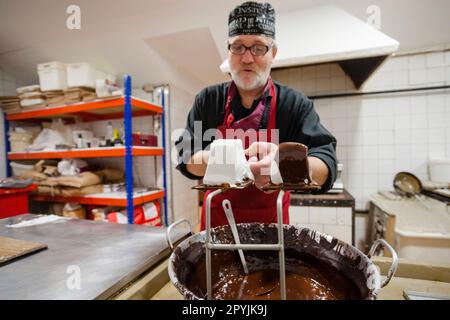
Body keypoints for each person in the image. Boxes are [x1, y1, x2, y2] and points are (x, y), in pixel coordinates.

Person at [175, 1, 337, 230]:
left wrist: (283, 166)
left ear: (273, 53)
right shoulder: (208, 100)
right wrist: (219, 161)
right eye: (238, 46)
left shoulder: (294, 104)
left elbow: (326, 162)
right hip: (216, 232)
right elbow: (184, 155)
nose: (247, 58)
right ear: (228, 51)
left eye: (258, 47)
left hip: (272, 233)